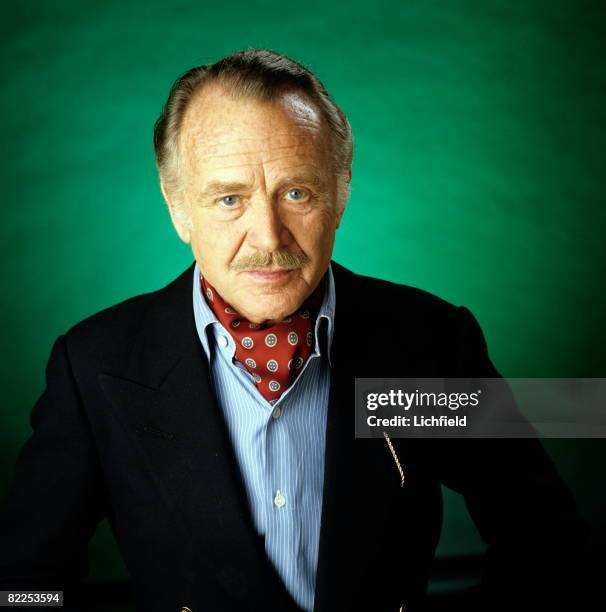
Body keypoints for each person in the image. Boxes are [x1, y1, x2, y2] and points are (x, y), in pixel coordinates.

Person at [0, 49, 589, 612]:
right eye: (229, 198)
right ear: (177, 207)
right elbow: (24, 585)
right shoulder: (96, 368)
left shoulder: (428, 345)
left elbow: (550, 546)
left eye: (297, 192)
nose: (269, 237)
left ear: (341, 193)